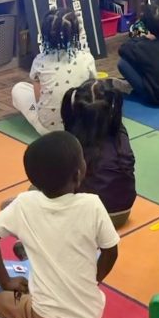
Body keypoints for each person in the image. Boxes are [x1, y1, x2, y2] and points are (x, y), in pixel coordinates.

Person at [0, 132, 120, 318]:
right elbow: (111, 252)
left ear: (32, 178)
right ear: (78, 173)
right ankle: (26, 255)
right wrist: (94, 280)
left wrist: (6, 282)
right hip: (92, 314)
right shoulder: (93, 205)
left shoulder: (25, 203)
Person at [61, 78, 137, 227]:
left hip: (92, 217)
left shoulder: (73, 141)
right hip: (123, 212)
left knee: (38, 188)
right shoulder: (119, 133)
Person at [12, 6, 97, 134]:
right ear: (75, 33)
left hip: (48, 129)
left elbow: (38, 98)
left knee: (19, 89)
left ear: (45, 35)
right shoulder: (87, 58)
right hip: (81, 128)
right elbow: (93, 90)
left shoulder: (40, 60)